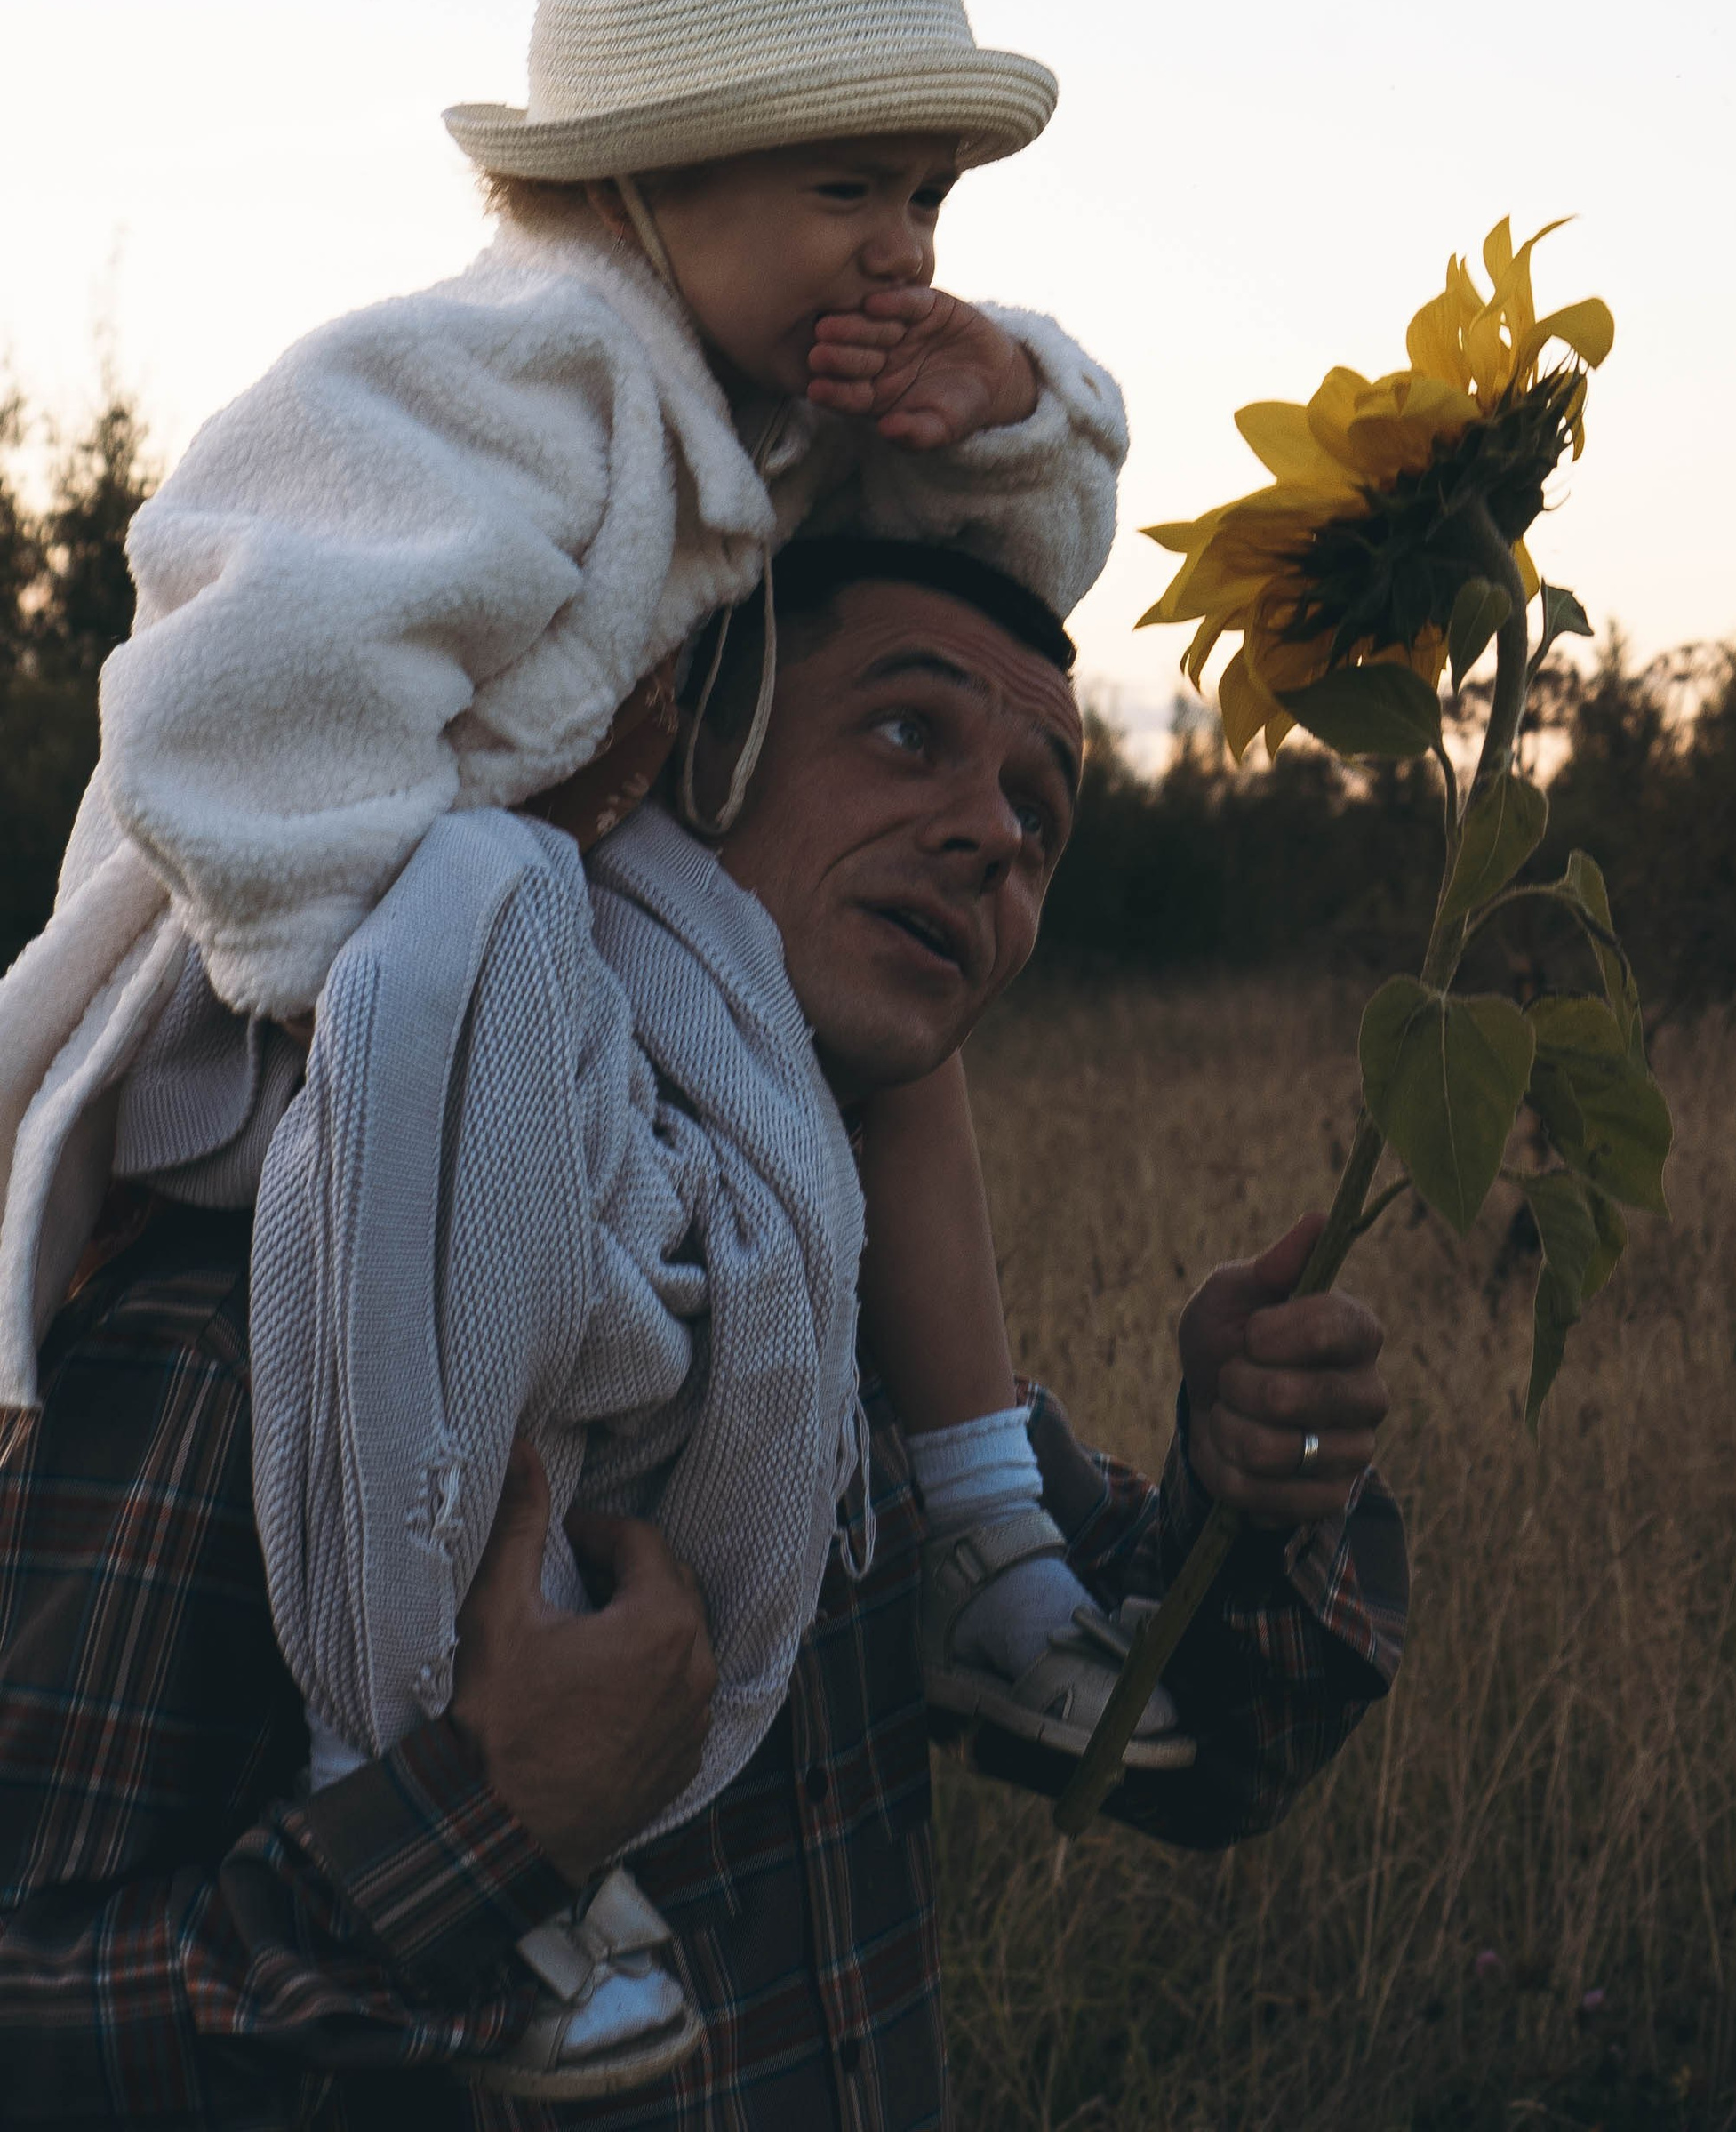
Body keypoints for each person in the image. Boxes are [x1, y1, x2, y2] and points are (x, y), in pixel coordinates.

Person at [0, 0, 1135, 2087]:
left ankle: (975, 1533)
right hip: (303, 998)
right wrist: (417, 981)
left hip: (550, 955)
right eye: (850, 189)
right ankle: (415, 1749)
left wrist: (1006, 402)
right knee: (484, 1027)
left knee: (841, 1083)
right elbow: (229, 700)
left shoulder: (754, 413)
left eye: (932, 200)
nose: (902, 249)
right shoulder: (488, 377)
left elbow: (1010, 550)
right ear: (655, 177)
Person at [0, 540, 1408, 2128]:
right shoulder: (264, 1318)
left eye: (1045, 815)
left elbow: (1209, 1751)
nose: (994, 837)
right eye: (907, 734)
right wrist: (488, 1828)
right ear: (685, 757)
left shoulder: (857, 1322)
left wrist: (1256, 1489)